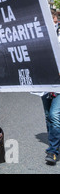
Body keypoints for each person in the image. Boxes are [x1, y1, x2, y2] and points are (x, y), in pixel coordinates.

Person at [40, 10, 60, 165]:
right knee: (48, 116)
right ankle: (55, 142)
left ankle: (53, 150)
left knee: (54, 115)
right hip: (46, 82)